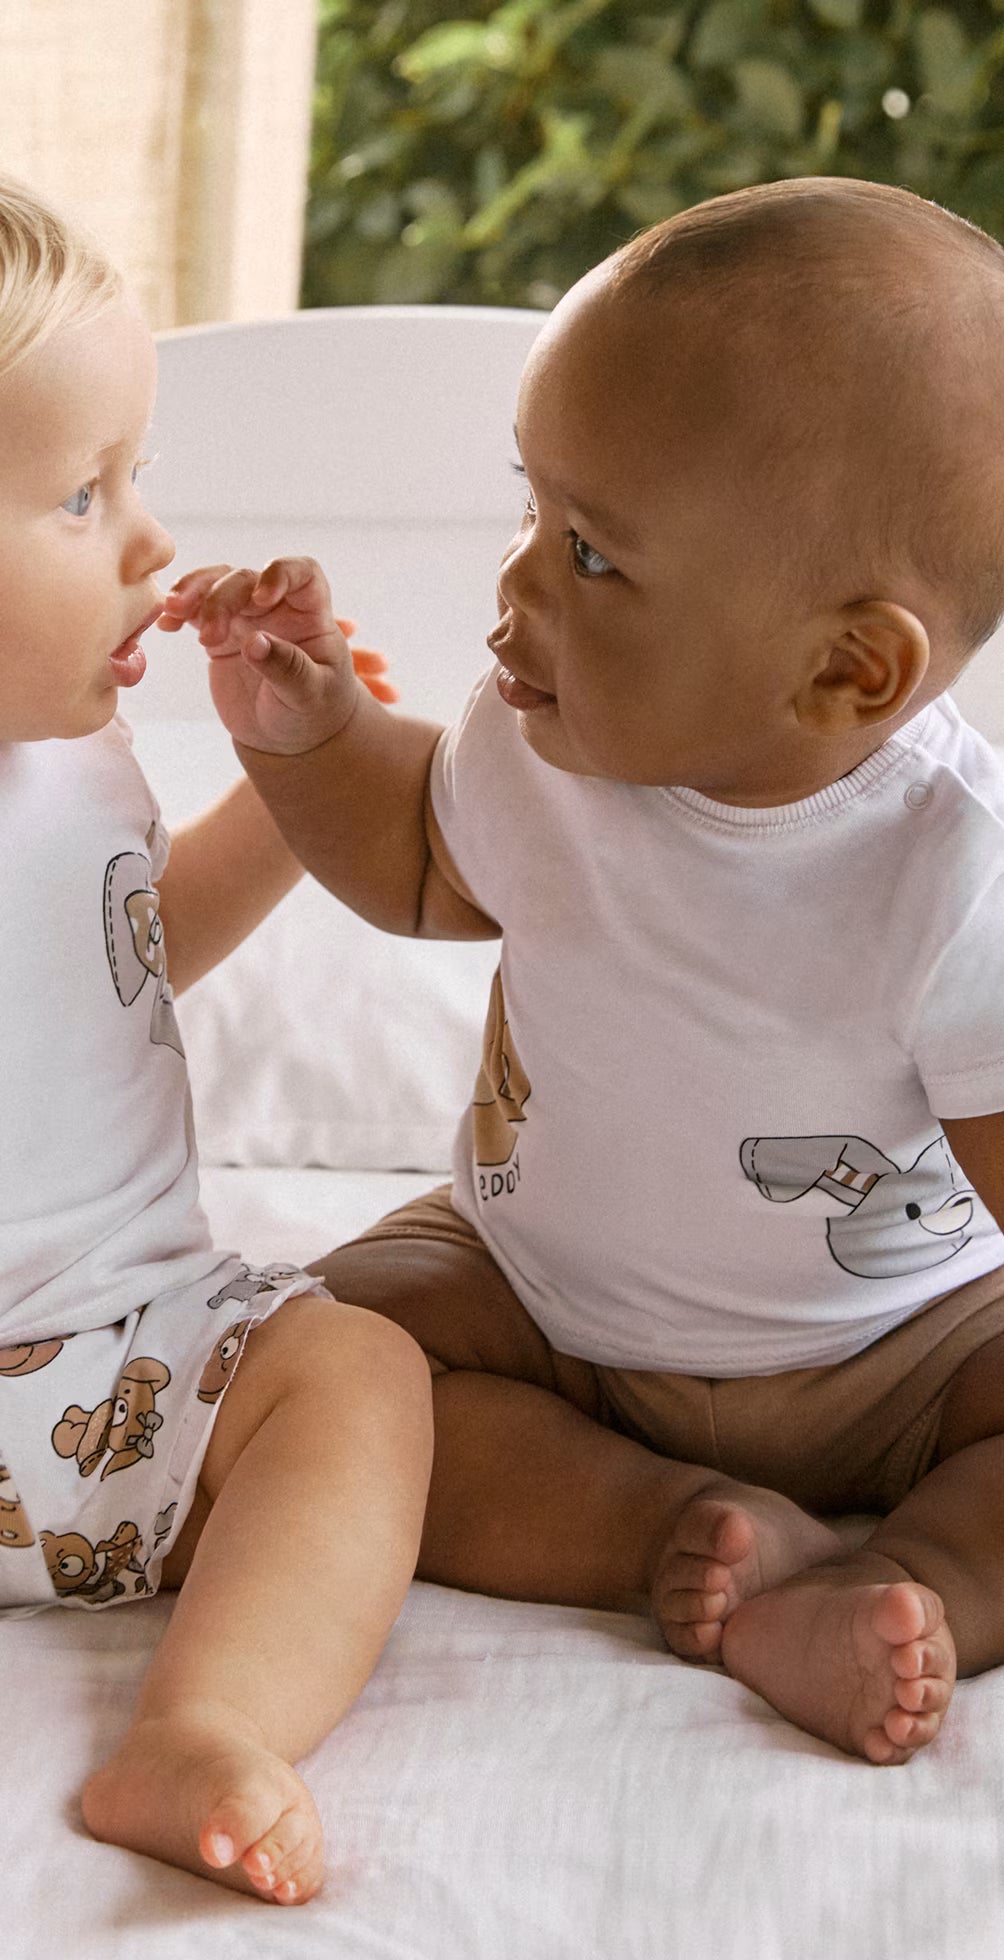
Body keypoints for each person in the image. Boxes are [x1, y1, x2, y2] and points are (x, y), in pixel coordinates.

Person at [166, 178, 1004, 1769]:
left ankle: (914, 1584)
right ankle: (681, 1532)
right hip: (539, 1298)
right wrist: (314, 738)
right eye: (531, 510)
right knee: (310, 1374)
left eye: (592, 554)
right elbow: (420, 867)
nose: (517, 585)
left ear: (846, 669)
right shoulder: (540, 740)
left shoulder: (963, 888)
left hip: (905, 1353)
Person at [0, 174, 432, 1901]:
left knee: (358, 1373)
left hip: (129, 1375)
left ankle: (202, 1722)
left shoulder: (81, 763)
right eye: (80, 494)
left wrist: (286, 800)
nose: (149, 544)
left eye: (136, 479)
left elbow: (127, 958)